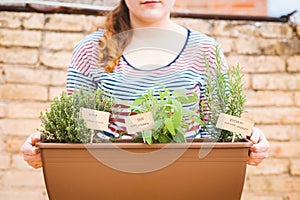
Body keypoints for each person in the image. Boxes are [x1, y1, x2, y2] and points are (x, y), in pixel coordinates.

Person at [21, 0, 269, 169]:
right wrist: (46, 144)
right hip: (111, 181)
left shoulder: (204, 50)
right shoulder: (95, 50)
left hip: (191, 180)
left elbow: (219, 120)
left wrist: (250, 136)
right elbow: (79, 125)